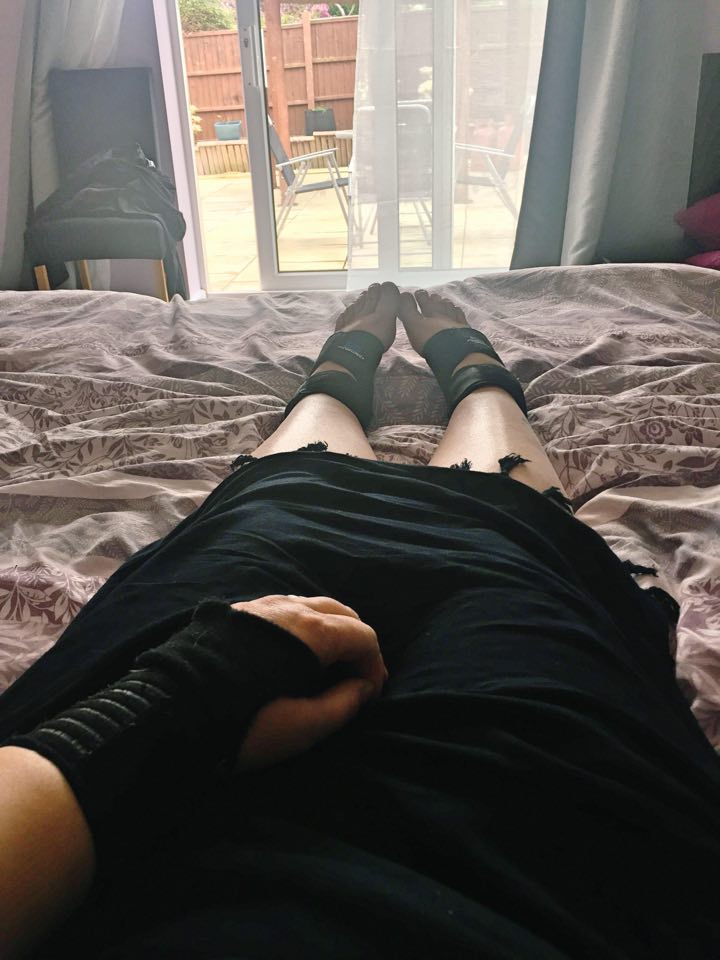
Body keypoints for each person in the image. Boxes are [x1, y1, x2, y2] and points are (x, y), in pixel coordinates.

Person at [0, 283, 718, 960]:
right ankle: (476, 377)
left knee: (278, 507)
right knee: (508, 538)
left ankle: (340, 373)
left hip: (105, 828)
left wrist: (170, 700)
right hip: (555, 837)